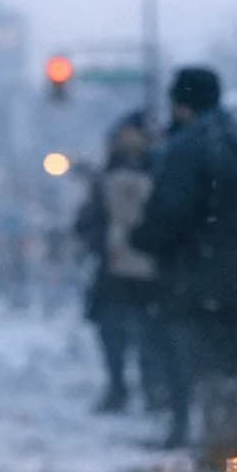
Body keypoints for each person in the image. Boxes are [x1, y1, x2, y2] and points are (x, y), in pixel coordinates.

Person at [132, 67, 237, 456]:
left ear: (181, 104)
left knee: (207, 374)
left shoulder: (186, 148)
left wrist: (143, 237)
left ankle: (221, 459)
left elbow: (171, 213)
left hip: (196, 279)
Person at [74, 111, 161, 413]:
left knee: (149, 337)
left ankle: (153, 392)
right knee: (112, 335)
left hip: (149, 271)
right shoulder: (106, 176)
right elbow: (87, 221)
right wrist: (104, 241)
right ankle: (118, 388)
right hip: (113, 272)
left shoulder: (159, 168)